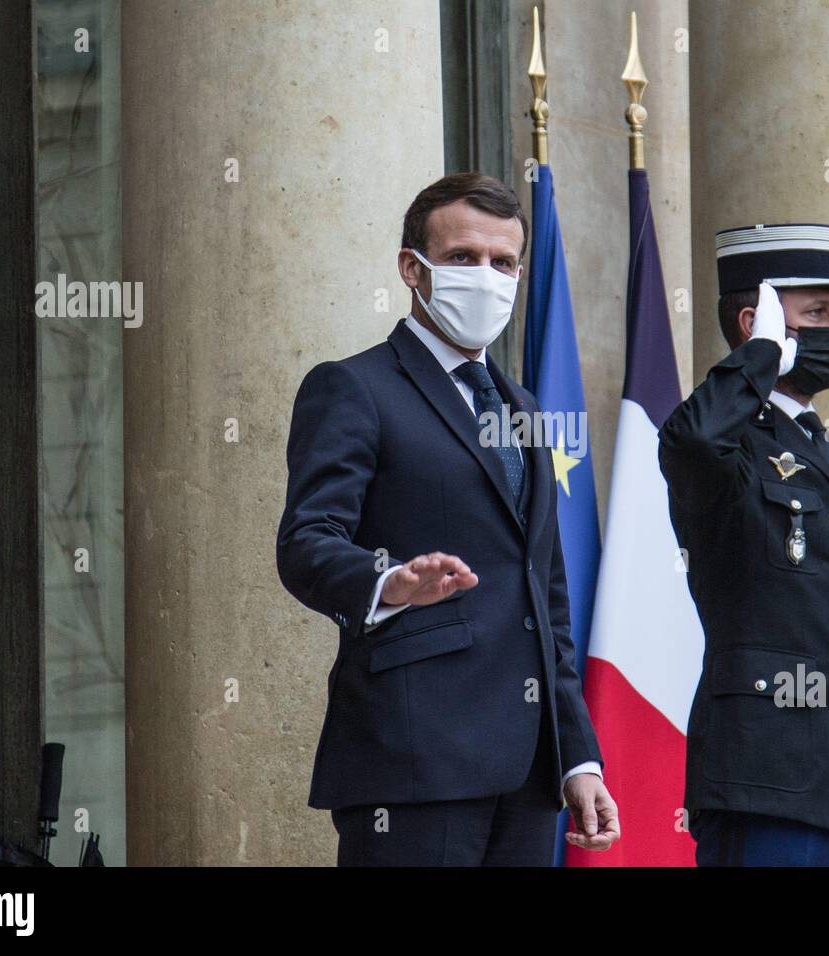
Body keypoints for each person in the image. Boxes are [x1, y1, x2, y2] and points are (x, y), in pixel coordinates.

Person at [277, 172, 619, 865]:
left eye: (503, 263)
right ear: (413, 268)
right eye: (463, 258)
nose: (485, 277)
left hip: (525, 774)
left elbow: (544, 597)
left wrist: (578, 757)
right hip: (412, 763)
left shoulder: (523, 408)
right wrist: (389, 581)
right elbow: (306, 542)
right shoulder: (353, 387)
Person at [658, 223, 829, 866]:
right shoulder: (727, 444)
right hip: (761, 775)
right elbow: (692, 442)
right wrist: (756, 361)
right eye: (816, 311)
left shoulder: (820, 447)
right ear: (758, 325)